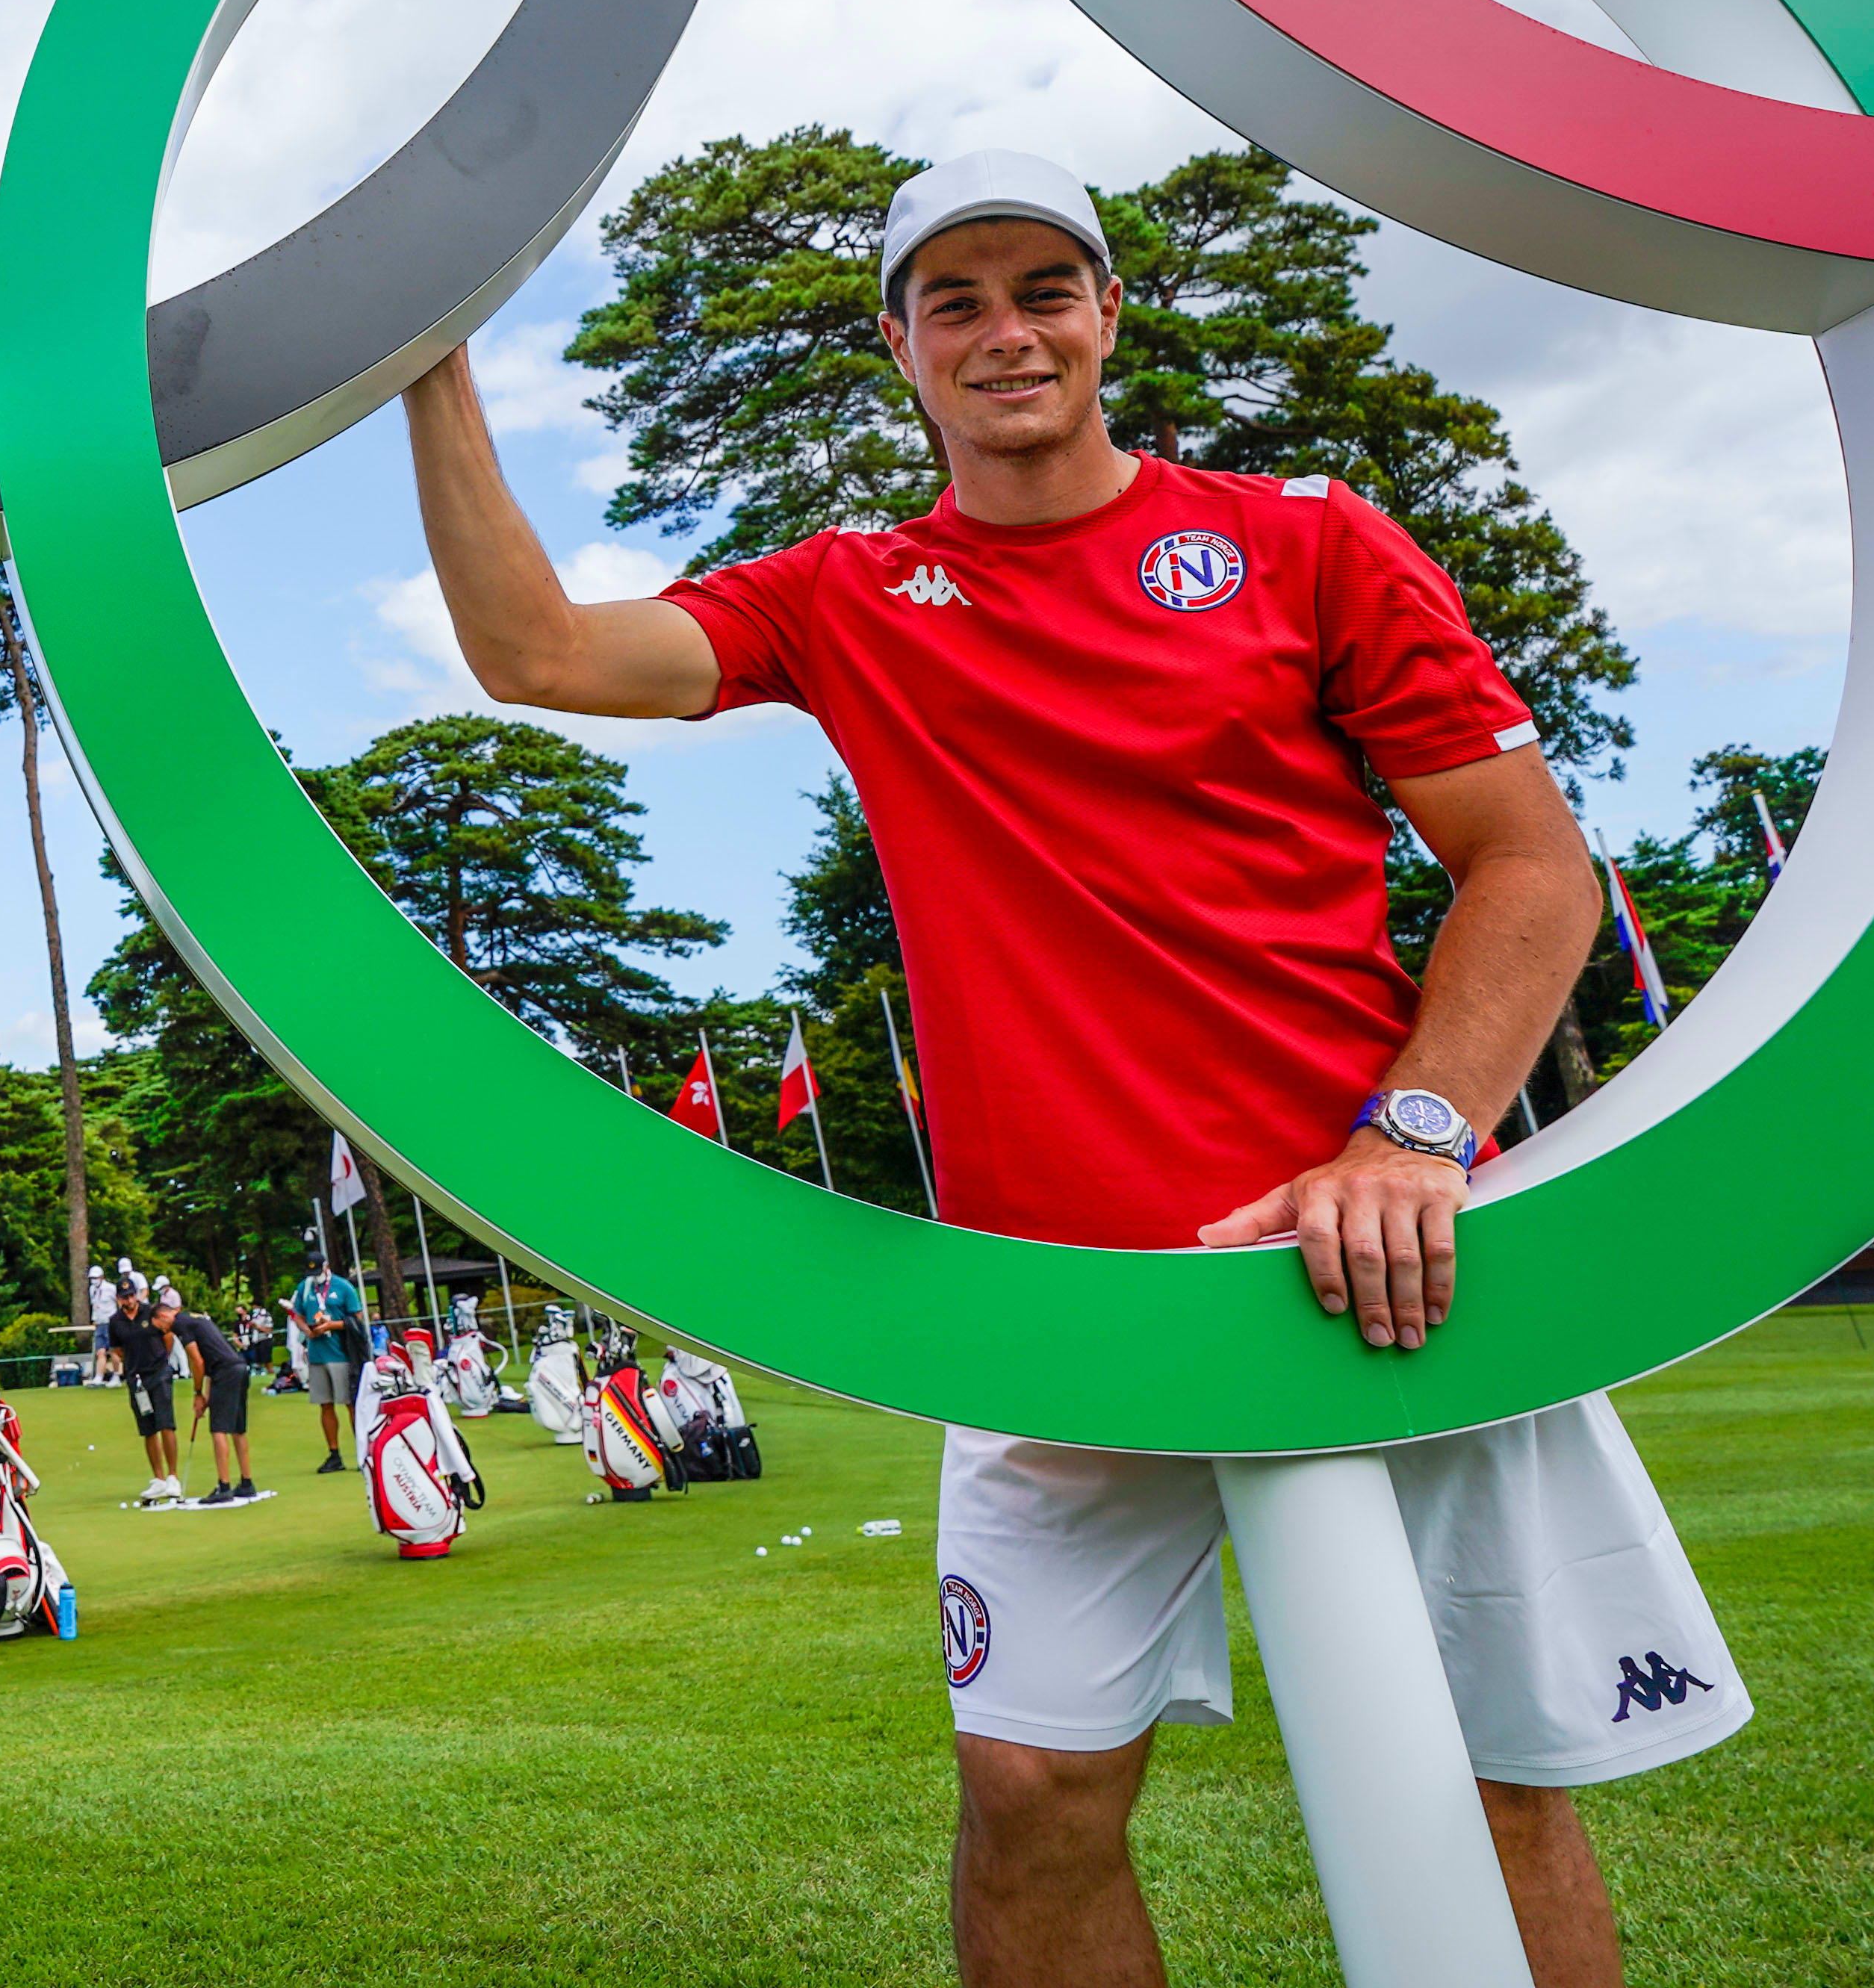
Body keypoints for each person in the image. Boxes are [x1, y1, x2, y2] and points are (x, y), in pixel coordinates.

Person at [406, 148, 1740, 1988]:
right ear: (899, 349)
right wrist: (429, 355)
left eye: (1045, 289)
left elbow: (1530, 862)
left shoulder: (1306, 541)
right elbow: (539, 650)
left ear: (1110, 313)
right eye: (953, 301)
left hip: (1380, 1263)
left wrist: (1413, 1134)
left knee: (1492, 1785)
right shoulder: (850, 591)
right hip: (1042, 1302)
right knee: (1030, 1793)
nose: (1006, 332)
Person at [163, 1289, 258, 1505]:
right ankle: (246, 1483)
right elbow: (210, 1359)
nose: (164, 1332)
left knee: (219, 1429)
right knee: (237, 1429)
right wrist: (206, 1396)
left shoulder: (180, 1324)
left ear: (164, 1316)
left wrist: (197, 1394)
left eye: (160, 1327)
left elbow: (197, 1361)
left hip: (226, 1372)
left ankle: (224, 1486)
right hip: (238, 1368)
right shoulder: (195, 1319)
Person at [99, 1286, 185, 1503]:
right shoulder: (116, 1321)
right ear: (118, 1299)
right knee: (148, 1429)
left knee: (166, 1424)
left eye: (131, 1296)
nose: (129, 1300)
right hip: (136, 1378)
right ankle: (159, 1479)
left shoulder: (150, 1312)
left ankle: (173, 1477)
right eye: (124, 1297)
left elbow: (168, 1337)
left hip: (159, 1373)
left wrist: (161, 1360)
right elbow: (118, 1350)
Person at [288, 1258, 369, 1473]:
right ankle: (334, 1455)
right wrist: (308, 1330)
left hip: (342, 1354)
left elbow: (357, 1319)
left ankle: (364, 1454)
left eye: (317, 1271)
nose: (315, 1276)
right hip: (317, 1355)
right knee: (325, 1404)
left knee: (351, 1404)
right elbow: (298, 1315)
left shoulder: (343, 1286)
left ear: (326, 1267)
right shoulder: (305, 1287)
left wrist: (332, 1325)